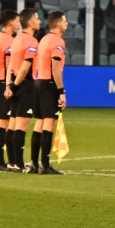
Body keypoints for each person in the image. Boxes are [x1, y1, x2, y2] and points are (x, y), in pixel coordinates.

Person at [30, 11, 68, 175]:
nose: (67, 24)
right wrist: (61, 91)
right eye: (65, 21)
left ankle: (34, 163)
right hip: (49, 84)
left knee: (39, 123)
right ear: (58, 24)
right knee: (49, 123)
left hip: (39, 82)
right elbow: (56, 68)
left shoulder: (44, 39)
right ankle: (45, 166)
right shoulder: (57, 41)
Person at [6, 10, 43, 173]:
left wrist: (9, 86)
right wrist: (14, 86)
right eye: (37, 18)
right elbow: (25, 68)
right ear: (29, 22)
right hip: (25, 85)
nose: (39, 21)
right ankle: (19, 164)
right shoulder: (31, 41)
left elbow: (10, 67)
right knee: (21, 126)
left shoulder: (16, 39)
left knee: (13, 124)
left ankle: (11, 162)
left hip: (15, 83)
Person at [0, 9, 20, 172]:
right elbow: (9, 66)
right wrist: (11, 85)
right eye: (17, 21)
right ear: (10, 22)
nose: (19, 24)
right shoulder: (8, 41)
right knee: (3, 122)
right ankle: (0, 162)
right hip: (2, 83)